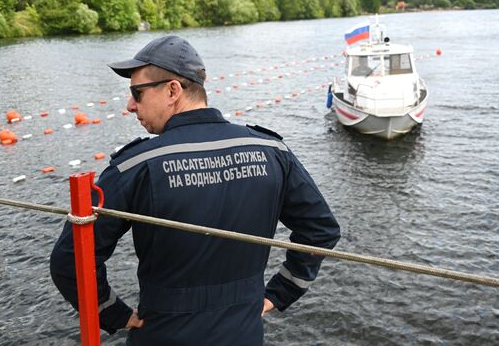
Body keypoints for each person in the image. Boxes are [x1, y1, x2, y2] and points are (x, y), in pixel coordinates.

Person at [50, 35, 341, 345]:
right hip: (243, 334)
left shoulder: (136, 165)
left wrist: (115, 314)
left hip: (162, 336)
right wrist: (279, 293)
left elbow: (70, 260)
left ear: (173, 90)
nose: (130, 104)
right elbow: (320, 231)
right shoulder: (271, 150)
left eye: (138, 92)